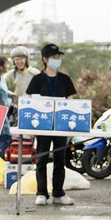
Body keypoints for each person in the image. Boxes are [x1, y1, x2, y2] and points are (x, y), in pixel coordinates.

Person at [25, 43, 77, 206]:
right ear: (45, 59)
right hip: (43, 126)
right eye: (54, 57)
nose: (57, 59)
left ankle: (58, 193)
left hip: (60, 126)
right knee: (42, 159)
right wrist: (31, 126)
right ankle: (41, 193)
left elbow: (71, 102)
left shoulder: (65, 79)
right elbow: (31, 102)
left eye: (59, 57)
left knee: (60, 160)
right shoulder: (37, 79)